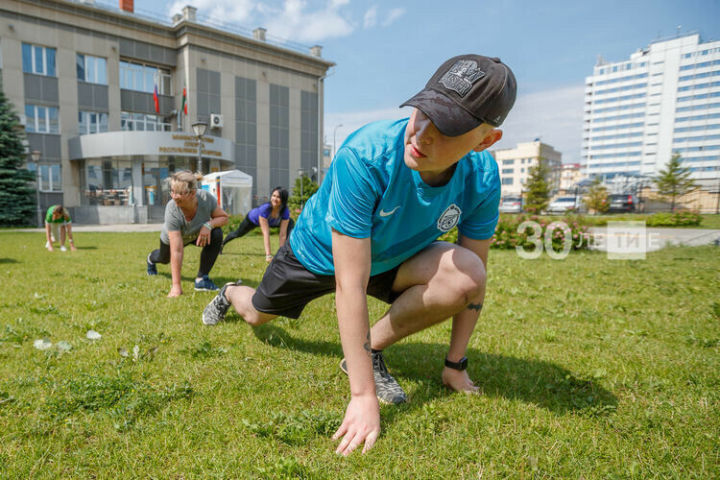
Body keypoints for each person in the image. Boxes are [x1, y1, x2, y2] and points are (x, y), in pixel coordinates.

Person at [202, 54, 516, 455]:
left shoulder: (483, 179)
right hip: (316, 253)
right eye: (424, 111)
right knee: (257, 314)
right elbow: (349, 283)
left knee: (467, 273)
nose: (421, 134)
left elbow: (475, 284)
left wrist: (455, 366)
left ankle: (365, 353)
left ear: (485, 141)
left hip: (392, 257)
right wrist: (364, 396)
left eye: (448, 127)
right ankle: (230, 291)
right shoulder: (367, 154)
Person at [146, 171, 229, 297]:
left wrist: (208, 225)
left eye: (179, 193)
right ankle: (151, 258)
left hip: (196, 234)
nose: (174, 196)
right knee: (164, 259)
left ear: (193, 193)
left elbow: (224, 218)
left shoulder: (205, 198)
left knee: (216, 233)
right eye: (172, 191)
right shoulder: (172, 209)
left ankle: (202, 279)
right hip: (172, 239)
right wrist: (176, 286)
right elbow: (177, 250)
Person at [222, 187, 294, 262]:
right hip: (252, 219)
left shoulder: (285, 211)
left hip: (271, 222)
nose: (275, 199)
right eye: (273, 196)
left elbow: (282, 234)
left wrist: (280, 254)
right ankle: (222, 244)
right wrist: (268, 255)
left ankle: (286, 252)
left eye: (278, 197)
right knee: (238, 233)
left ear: (283, 199)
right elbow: (266, 233)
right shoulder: (265, 209)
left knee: (290, 222)